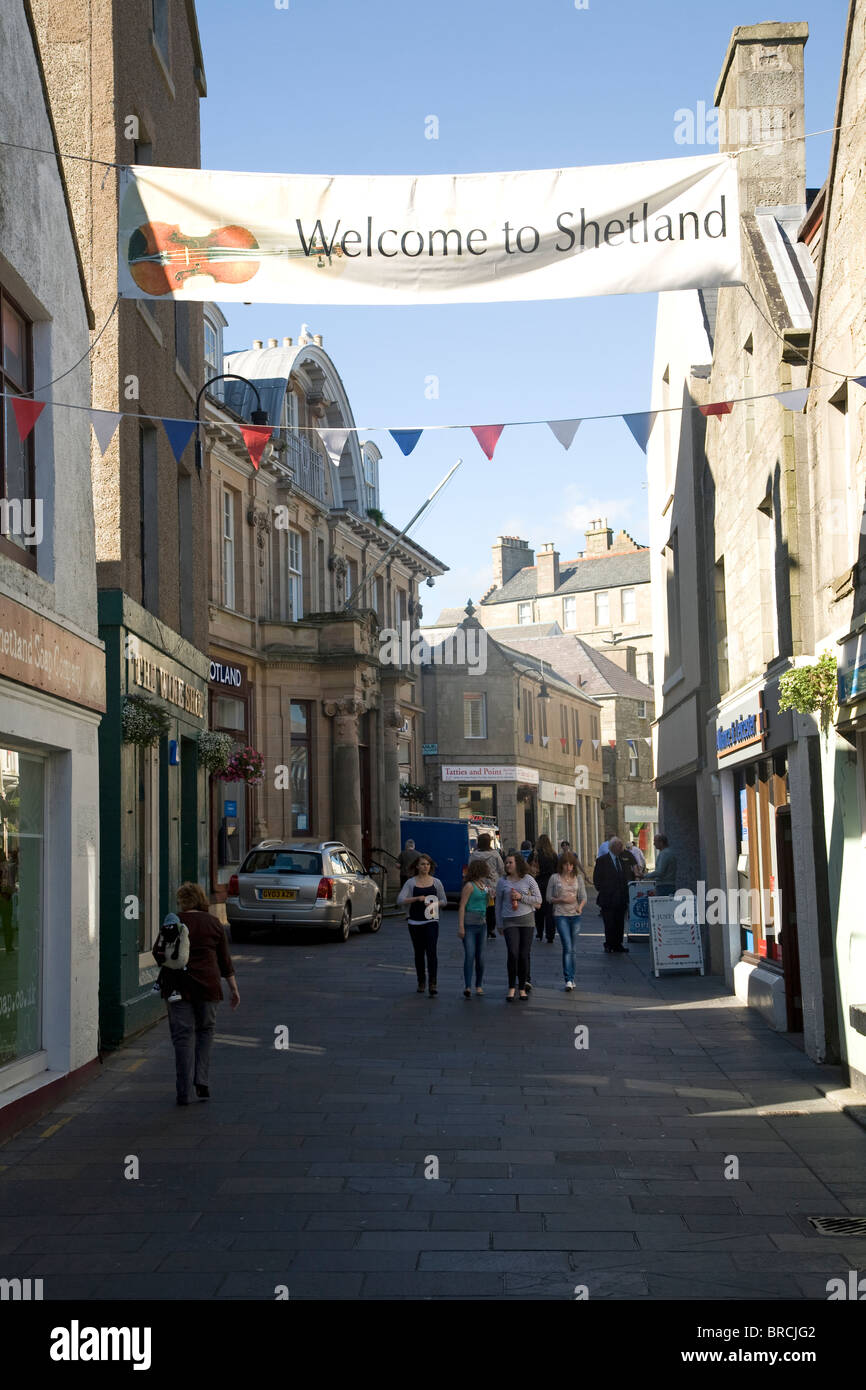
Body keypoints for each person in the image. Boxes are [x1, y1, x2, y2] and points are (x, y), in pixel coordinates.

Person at [159, 882, 240, 1107]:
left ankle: (183, 1091)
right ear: (201, 899)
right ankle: (201, 1080)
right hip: (208, 987)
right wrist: (233, 988)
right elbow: (224, 961)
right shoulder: (213, 923)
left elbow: (160, 954)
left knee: (182, 1038)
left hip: (177, 987)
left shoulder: (173, 921)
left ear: (182, 901)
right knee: (205, 1032)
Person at [397, 853, 448, 996]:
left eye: (427, 864)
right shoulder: (411, 882)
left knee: (431, 951)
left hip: (432, 920)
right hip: (414, 921)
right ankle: (421, 981)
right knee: (419, 953)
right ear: (417, 867)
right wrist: (416, 898)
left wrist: (435, 903)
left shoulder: (436, 882)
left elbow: (444, 900)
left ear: (430, 866)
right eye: (422, 864)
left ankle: (433, 983)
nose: (425, 867)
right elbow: (400, 900)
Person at [495, 851, 542, 1001]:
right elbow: (498, 903)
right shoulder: (502, 881)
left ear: (518, 864)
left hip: (527, 920)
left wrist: (521, 897)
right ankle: (511, 987)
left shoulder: (528, 879)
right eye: (506, 862)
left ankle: (522, 988)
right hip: (509, 920)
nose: (507, 865)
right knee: (513, 953)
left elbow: (538, 899)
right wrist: (499, 923)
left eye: (510, 862)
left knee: (523, 954)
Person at [547, 849, 588, 990]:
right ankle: (568, 979)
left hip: (575, 915)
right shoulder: (554, 878)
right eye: (566, 864)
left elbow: (583, 897)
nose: (569, 867)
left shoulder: (579, 878)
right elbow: (548, 898)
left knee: (573, 949)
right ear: (561, 865)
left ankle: (572, 977)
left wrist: (580, 907)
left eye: (571, 865)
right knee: (567, 946)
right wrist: (561, 900)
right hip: (561, 915)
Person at [592, 837, 638, 954]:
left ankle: (618, 944)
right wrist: (603, 889)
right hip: (608, 898)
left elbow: (625, 876)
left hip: (621, 898)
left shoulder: (622, 860)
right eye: (619, 846)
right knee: (609, 923)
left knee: (619, 922)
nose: (621, 849)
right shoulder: (602, 860)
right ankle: (609, 944)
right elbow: (597, 879)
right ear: (612, 847)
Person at [457, 859, 490, 997]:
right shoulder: (469, 886)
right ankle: (468, 986)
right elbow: (462, 906)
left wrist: (489, 896)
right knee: (470, 955)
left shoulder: (483, 885)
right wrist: (461, 926)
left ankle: (479, 985)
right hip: (469, 925)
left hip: (482, 924)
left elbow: (486, 905)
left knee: (480, 957)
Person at [468, 832, 505, 940]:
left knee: (480, 905)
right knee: (492, 908)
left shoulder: (474, 855)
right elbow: (501, 869)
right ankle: (491, 929)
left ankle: (481, 926)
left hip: (478, 884)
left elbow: (470, 868)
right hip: (492, 885)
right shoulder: (495, 854)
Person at [534, 834, 558, 943]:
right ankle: (550, 935)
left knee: (539, 908)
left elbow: (529, 867)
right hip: (551, 882)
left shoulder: (535, 854)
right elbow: (557, 870)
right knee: (550, 910)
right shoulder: (553, 855)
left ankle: (539, 932)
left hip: (538, 882)